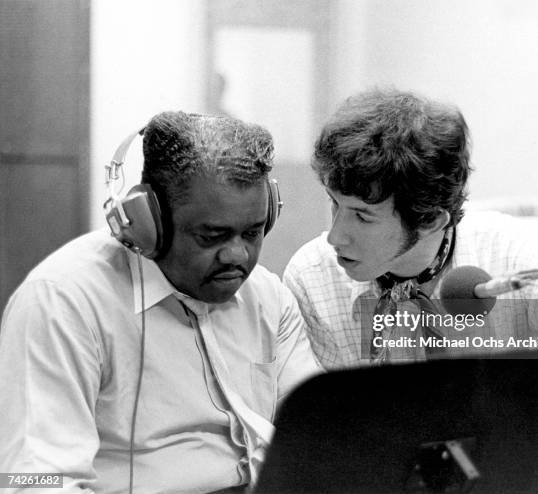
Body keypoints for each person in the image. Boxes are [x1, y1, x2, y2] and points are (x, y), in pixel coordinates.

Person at [0, 111, 320, 493]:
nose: (237, 255)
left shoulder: (267, 298)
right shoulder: (63, 302)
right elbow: (33, 480)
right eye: (212, 236)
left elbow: (314, 441)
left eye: (252, 232)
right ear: (146, 222)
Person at [283, 88, 538, 370]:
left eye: (363, 217)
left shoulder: (526, 260)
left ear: (430, 220)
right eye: (334, 203)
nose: (335, 236)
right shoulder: (312, 279)